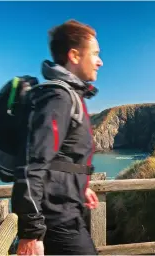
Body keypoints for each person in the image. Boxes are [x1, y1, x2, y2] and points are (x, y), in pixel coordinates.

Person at [11, 19, 104, 255]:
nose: (100, 61)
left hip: (65, 213)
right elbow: (32, 164)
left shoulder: (68, 95)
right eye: (94, 54)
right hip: (56, 221)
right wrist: (31, 233)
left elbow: (61, 157)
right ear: (74, 55)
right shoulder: (58, 98)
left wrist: (80, 186)